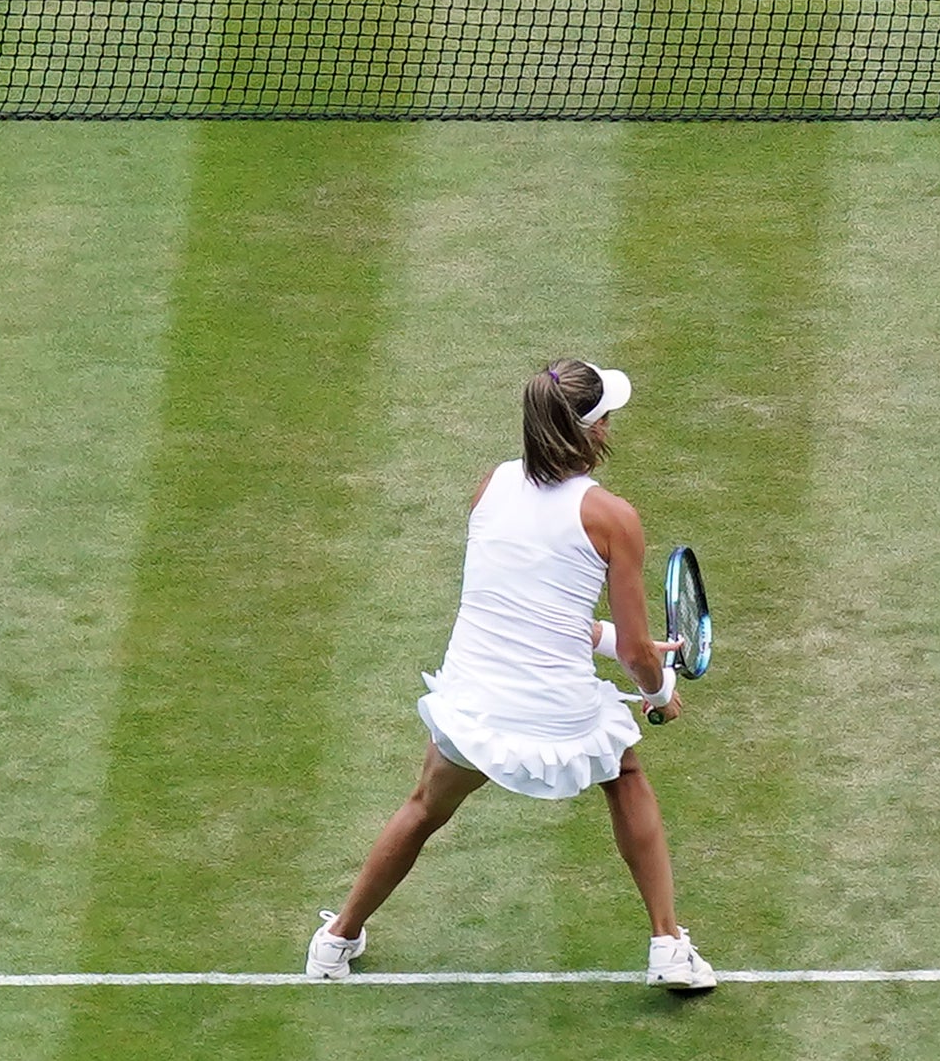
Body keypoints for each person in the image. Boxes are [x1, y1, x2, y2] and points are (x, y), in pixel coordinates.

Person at [306, 361, 717, 992]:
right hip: (556, 706)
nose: (610, 428)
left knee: (423, 807)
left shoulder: (489, 486)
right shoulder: (613, 518)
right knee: (625, 775)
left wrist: (620, 648)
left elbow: (537, 613)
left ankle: (336, 941)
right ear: (585, 433)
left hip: (477, 700)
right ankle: (667, 943)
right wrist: (660, 693)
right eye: (605, 418)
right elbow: (638, 652)